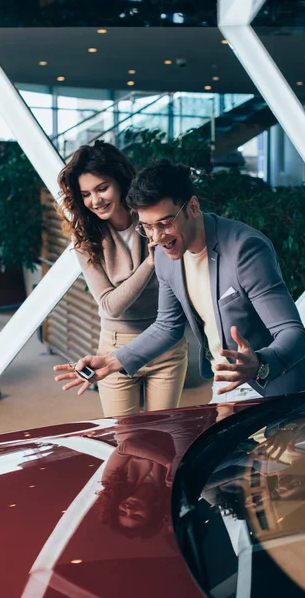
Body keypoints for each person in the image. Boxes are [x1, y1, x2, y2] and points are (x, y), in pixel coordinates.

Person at [55, 158, 305, 403]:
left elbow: (292, 333)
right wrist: (113, 360)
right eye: (147, 227)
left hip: (278, 387)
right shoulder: (162, 253)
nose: (156, 238)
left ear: (193, 207)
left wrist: (261, 364)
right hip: (226, 385)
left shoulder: (245, 249)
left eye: (165, 223)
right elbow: (168, 326)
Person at [55, 145, 188, 416]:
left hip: (165, 345)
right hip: (115, 346)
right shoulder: (86, 240)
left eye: (102, 188)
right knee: (125, 439)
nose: (95, 200)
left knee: (162, 436)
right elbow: (110, 306)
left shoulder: (153, 218)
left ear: (121, 182)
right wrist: (151, 262)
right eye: (86, 194)